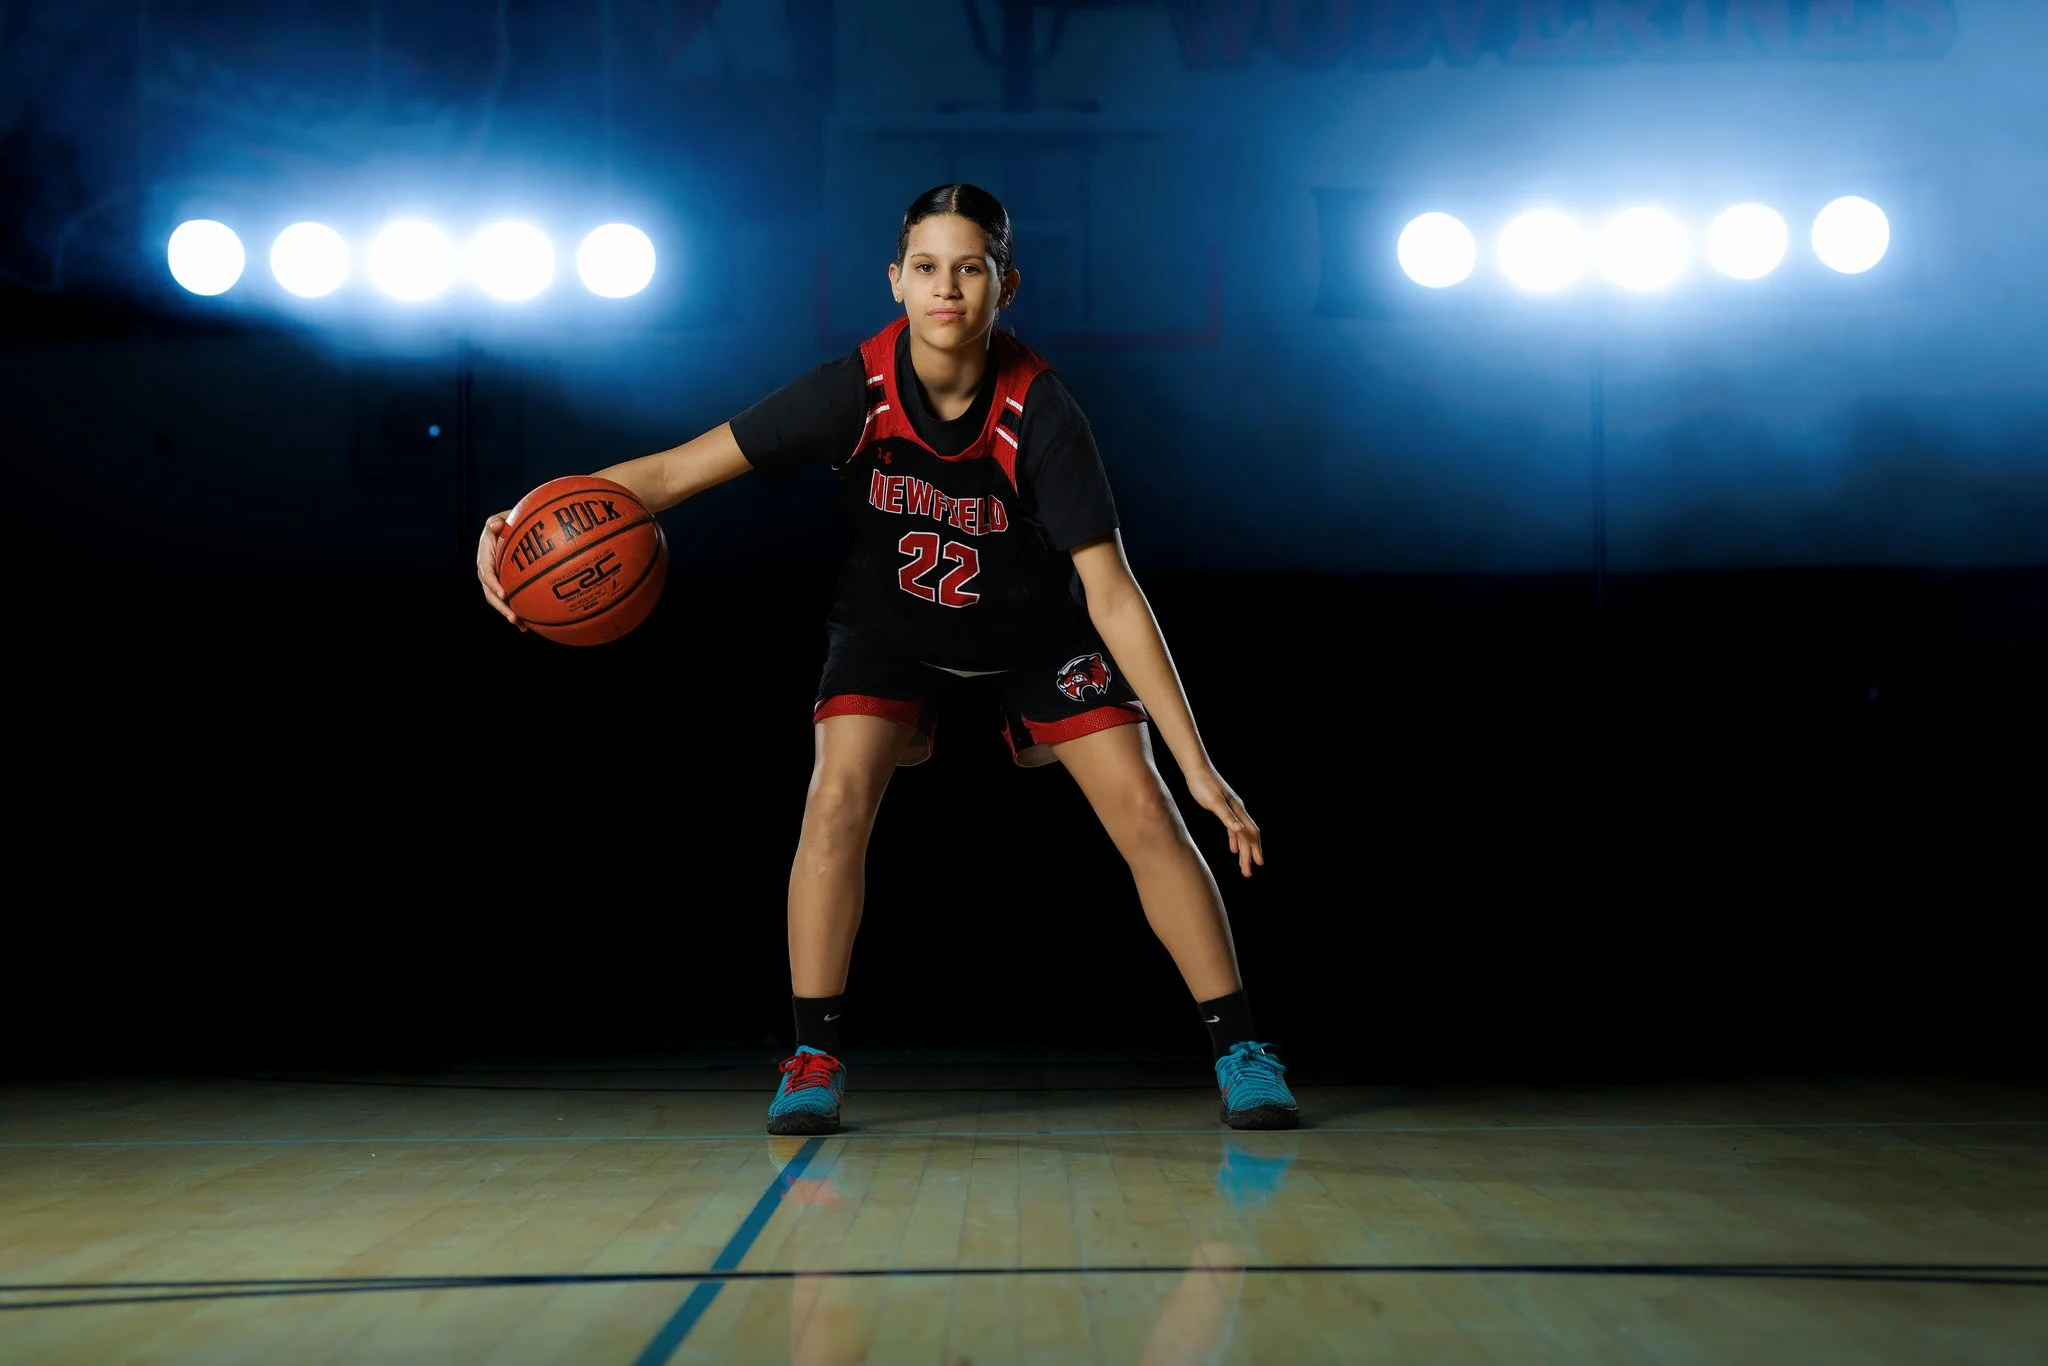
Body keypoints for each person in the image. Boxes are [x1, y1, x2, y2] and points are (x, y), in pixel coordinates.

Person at [476, 183, 1298, 1133]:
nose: (947, 287)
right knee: (834, 799)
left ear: (1005, 285)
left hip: (1033, 636)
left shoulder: (1043, 412)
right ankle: (812, 1058)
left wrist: (1199, 764)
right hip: (893, 632)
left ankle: (1240, 1048)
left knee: (1149, 810)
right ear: (896, 282)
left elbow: (1111, 591)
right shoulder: (851, 392)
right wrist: (515, 521)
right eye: (927, 268)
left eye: (970, 268)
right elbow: (669, 474)